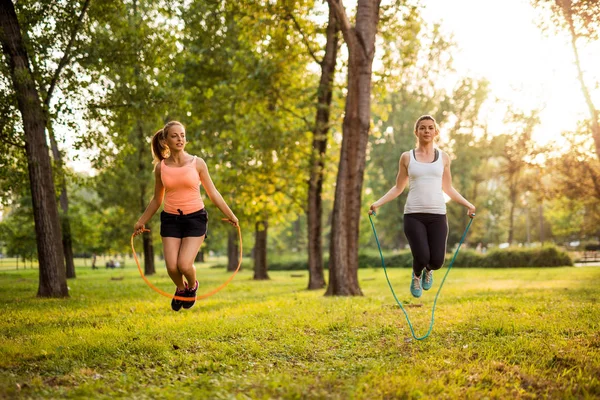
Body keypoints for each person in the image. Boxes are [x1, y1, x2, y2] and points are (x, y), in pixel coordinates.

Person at [134, 121, 239, 311]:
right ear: (165, 140)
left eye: (182, 135)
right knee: (172, 268)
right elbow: (157, 200)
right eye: (174, 136)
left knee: (184, 264)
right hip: (171, 220)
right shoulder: (161, 168)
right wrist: (141, 221)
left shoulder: (197, 163)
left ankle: (192, 286)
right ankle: (181, 289)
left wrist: (231, 215)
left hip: (195, 218)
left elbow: (213, 193)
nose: (179, 139)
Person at [369, 115, 475, 298]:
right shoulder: (406, 157)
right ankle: (416, 275)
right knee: (422, 257)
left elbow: (448, 188)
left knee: (437, 261)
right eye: (423, 128)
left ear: (436, 132)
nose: (427, 131)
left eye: (430, 128)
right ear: (416, 131)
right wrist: (377, 203)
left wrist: (468, 204)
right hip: (414, 215)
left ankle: (428, 271)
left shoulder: (444, 158)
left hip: (438, 215)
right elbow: (398, 187)